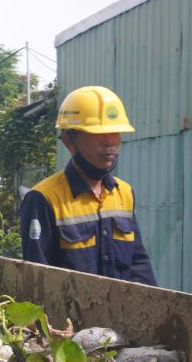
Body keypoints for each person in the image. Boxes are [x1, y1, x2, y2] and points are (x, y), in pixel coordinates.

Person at [20, 86, 157, 286]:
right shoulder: (44, 199)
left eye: (115, 132)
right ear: (69, 141)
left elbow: (138, 264)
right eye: (98, 133)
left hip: (120, 315)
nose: (110, 141)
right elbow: (37, 279)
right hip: (68, 317)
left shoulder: (124, 193)